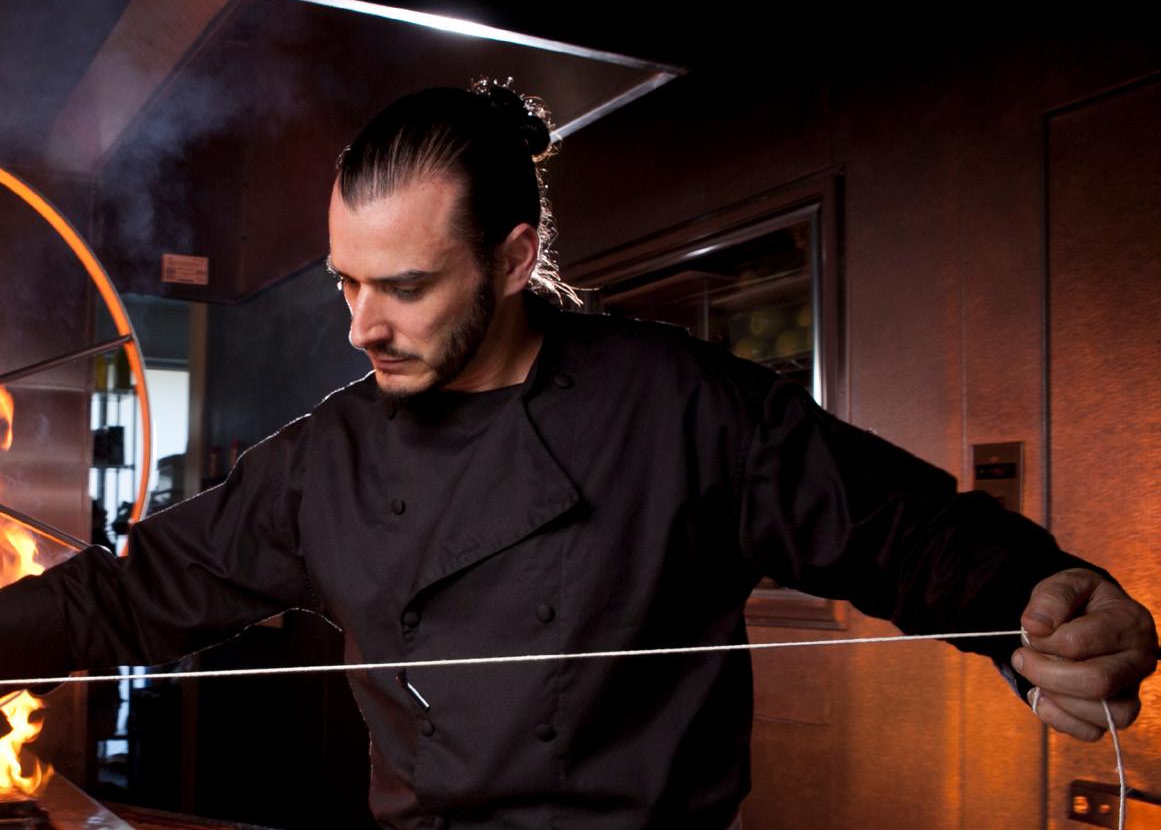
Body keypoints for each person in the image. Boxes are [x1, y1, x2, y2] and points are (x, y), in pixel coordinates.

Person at [0, 80, 1156, 829]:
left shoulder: (677, 404)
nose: (361, 328)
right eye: (347, 284)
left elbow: (902, 531)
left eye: (404, 288)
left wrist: (1036, 598)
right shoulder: (327, 460)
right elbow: (130, 596)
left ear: (513, 259)